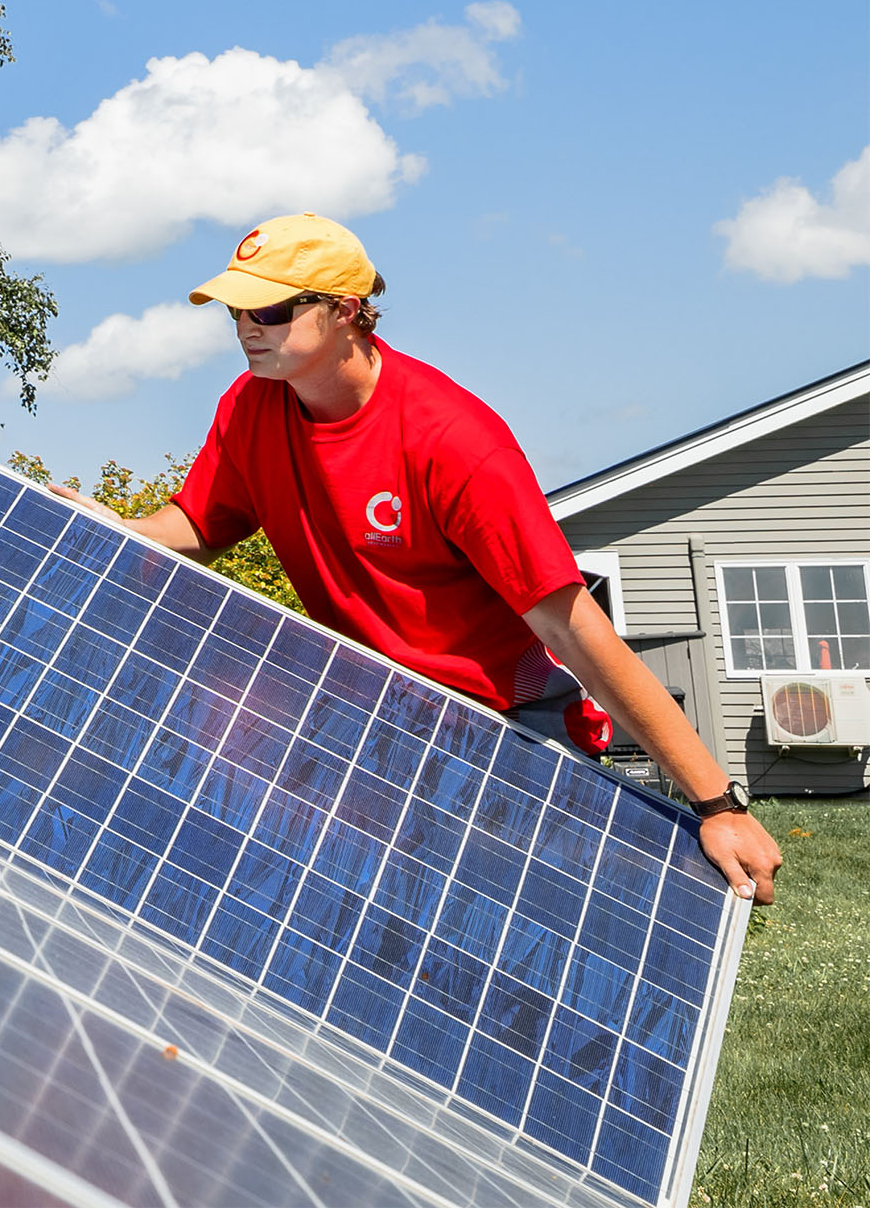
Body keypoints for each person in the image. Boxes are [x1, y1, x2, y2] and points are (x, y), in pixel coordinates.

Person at [50, 212, 783, 904]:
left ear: (343, 311)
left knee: (515, 943)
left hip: (505, 724)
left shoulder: (451, 440)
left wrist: (717, 804)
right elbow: (200, 523)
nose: (246, 329)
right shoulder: (250, 408)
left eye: (269, 312)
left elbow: (574, 629)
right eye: (237, 312)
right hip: (379, 714)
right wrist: (115, 529)